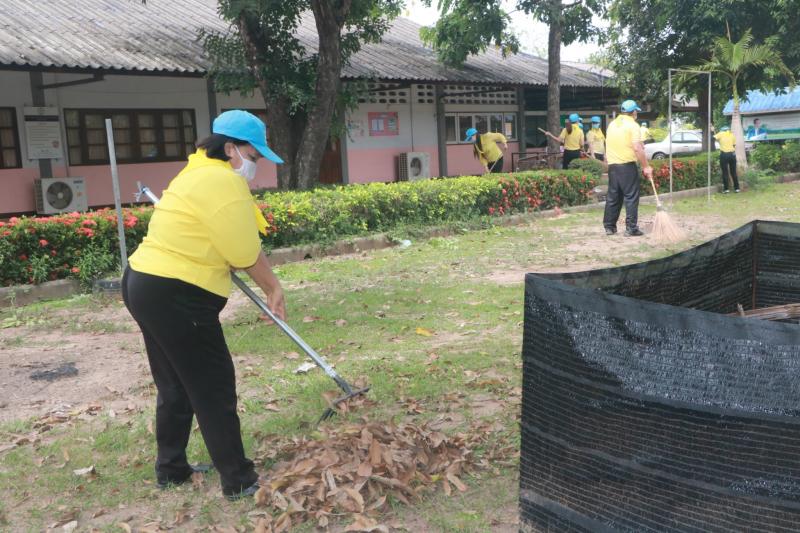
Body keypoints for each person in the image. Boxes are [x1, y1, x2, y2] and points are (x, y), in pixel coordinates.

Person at [122, 110, 286, 501]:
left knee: (175, 383)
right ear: (230, 149)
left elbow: (229, 240)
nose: (255, 165)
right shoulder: (223, 181)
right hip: (176, 295)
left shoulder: (194, 173)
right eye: (254, 156)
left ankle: (172, 469)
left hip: (143, 283)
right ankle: (239, 480)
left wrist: (268, 283)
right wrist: (273, 287)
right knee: (213, 386)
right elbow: (242, 251)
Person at [603, 100, 653, 237]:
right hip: (627, 165)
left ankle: (609, 227)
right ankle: (631, 228)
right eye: (636, 111)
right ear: (634, 112)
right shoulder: (633, 125)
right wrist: (646, 166)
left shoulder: (612, 124)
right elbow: (637, 148)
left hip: (613, 166)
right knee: (631, 196)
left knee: (613, 196)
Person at [714, 125, 740, 193]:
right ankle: (737, 188)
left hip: (724, 155)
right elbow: (734, 145)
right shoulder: (732, 135)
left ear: (722, 130)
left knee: (725, 172)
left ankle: (726, 189)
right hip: (732, 155)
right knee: (733, 172)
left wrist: (712, 131)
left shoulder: (720, 134)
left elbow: (712, 138)